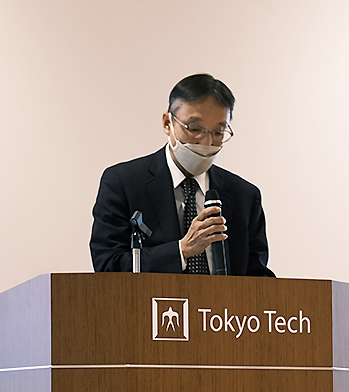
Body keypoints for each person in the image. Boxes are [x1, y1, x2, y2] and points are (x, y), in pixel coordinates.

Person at [89, 73, 274, 277]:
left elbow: (259, 281)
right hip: (151, 307)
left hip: (220, 309)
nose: (206, 142)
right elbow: (108, 265)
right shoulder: (123, 183)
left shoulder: (245, 196)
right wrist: (182, 250)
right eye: (194, 129)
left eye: (218, 132)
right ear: (168, 123)